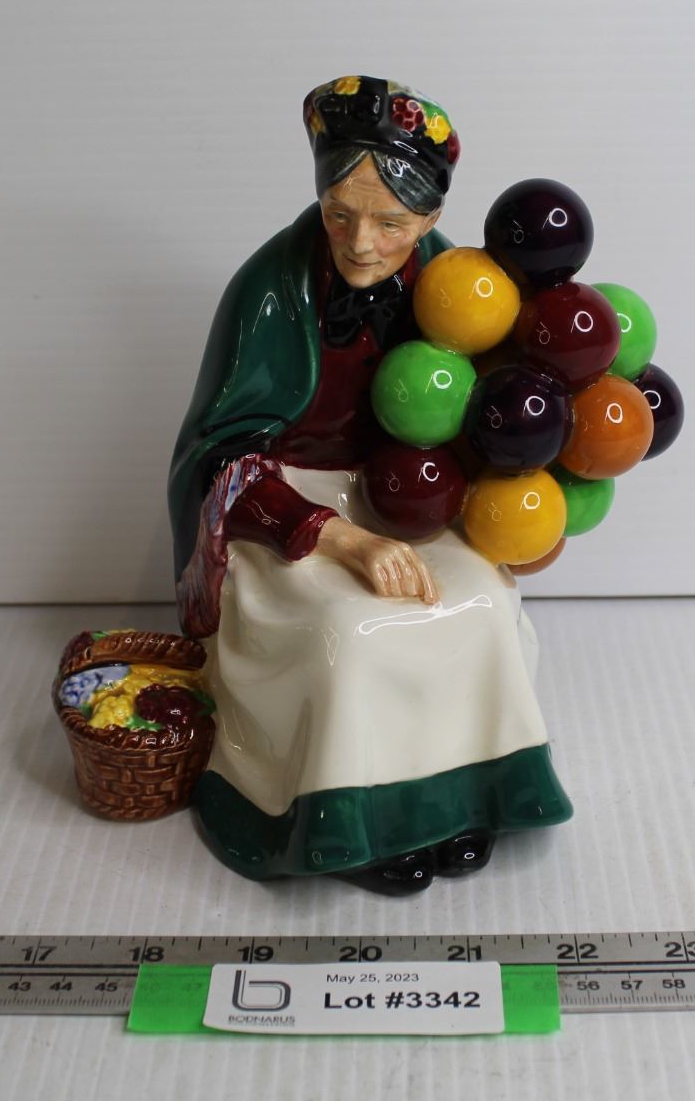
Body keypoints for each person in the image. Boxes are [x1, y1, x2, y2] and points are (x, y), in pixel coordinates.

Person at [166, 76, 572, 895]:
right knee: (348, 631)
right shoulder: (268, 290)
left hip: (410, 496)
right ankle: (344, 822)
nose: (360, 243)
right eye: (340, 214)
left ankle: (466, 800)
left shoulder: (454, 286)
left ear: (428, 217)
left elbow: (488, 398)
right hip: (285, 511)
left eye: (390, 223)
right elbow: (221, 460)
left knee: (481, 603)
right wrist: (342, 540)